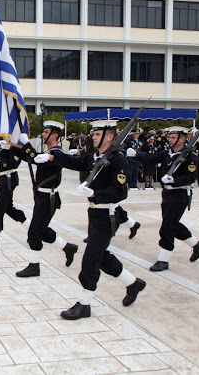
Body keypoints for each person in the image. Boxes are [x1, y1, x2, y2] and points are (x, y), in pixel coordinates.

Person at [38, 120, 146, 320]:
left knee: (90, 259)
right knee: (101, 255)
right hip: (94, 213)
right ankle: (132, 283)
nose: (93, 137)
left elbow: (121, 191)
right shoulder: (96, 157)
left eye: (97, 134)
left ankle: (84, 304)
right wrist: (53, 156)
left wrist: (95, 193)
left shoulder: (117, 160)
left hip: (108, 215)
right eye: (94, 134)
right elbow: (76, 163)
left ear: (110, 137)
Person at [129, 126, 199, 272]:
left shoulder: (190, 156)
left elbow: (190, 178)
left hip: (180, 194)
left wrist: (174, 180)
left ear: (182, 139)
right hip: (167, 194)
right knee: (173, 225)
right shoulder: (167, 153)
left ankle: (163, 260)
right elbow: (151, 158)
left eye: (173, 137)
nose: (169, 140)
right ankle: (197, 245)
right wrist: (136, 154)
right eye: (169, 137)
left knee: (167, 227)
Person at [14, 122, 79, 277]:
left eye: (46, 132)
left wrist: (27, 143)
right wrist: (15, 146)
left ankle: (34, 266)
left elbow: (35, 158)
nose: (43, 134)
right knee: (41, 231)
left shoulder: (57, 154)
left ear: (55, 135)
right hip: (42, 196)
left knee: (34, 234)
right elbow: (32, 158)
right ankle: (67, 247)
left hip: (48, 199)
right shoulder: (48, 152)